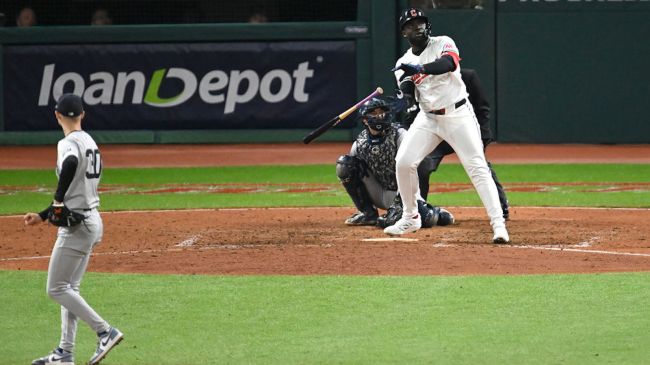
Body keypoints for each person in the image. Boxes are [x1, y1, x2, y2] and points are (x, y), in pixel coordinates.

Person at [385, 8, 509, 243]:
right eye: (411, 25)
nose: (418, 27)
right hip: (428, 118)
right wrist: (405, 98)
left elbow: (448, 64)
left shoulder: (443, 42)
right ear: (404, 33)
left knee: (477, 167)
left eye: (420, 22)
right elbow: (408, 87)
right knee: (403, 162)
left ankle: (498, 225)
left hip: (458, 113)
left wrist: (421, 69)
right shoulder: (404, 62)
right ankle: (411, 217)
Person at [24, 94, 124, 365]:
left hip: (77, 227)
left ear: (57, 116)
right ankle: (64, 353)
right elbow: (76, 185)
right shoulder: (90, 141)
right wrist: (44, 215)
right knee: (70, 289)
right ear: (83, 114)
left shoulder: (66, 143)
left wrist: (56, 201)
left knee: (55, 289)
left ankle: (105, 331)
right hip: (91, 220)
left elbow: (69, 167)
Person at [336, 97, 455, 229]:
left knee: (426, 220)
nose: (379, 116)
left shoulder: (399, 133)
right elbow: (354, 174)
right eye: (373, 113)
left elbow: (412, 165)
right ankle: (367, 213)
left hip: (404, 193)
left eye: (382, 112)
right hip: (379, 191)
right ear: (364, 119)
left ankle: (434, 212)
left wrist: (400, 203)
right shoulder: (359, 143)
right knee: (345, 165)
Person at [408, 68, 510, 220]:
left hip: (464, 130)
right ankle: (420, 209)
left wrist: (483, 133)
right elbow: (415, 112)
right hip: (435, 134)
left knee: (479, 166)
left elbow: (482, 107)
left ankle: (501, 207)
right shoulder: (423, 81)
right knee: (421, 164)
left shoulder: (468, 77)